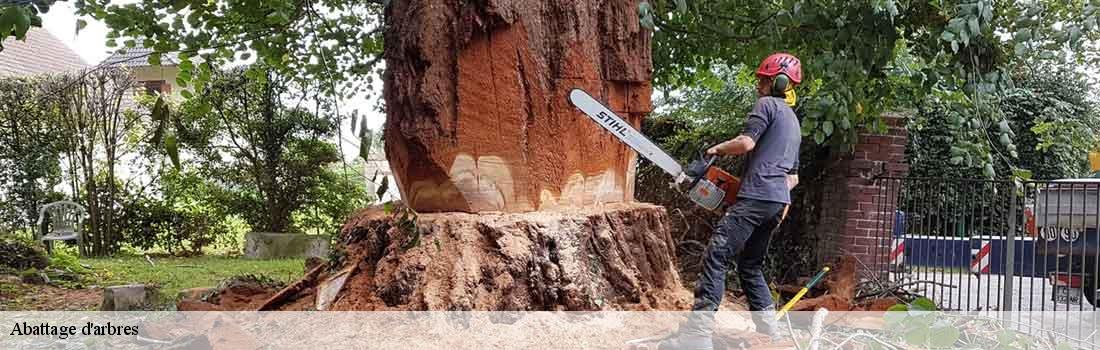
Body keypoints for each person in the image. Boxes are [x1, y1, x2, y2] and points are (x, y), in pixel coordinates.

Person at [660, 52, 803, 350]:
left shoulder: (767, 105)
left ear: (778, 83)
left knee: (717, 254)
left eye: (763, 80)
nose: (758, 85)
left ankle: (697, 337)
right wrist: (775, 200)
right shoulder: (793, 122)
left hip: (757, 197)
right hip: (776, 203)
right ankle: (771, 335)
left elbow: (746, 143)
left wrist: (717, 149)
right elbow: (793, 178)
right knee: (750, 265)